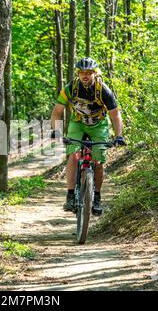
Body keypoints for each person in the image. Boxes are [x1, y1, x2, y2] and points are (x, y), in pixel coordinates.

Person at [50, 57, 125, 215]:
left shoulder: (104, 90)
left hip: (99, 125)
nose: (85, 76)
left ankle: (96, 197)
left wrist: (119, 136)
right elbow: (57, 112)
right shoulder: (71, 88)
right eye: (82, 72)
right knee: (74, 155)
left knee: (98, 161)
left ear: (94, 73)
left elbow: (115, 115)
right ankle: (70, 195)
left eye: (89, 73)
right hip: (78, 123)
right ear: (78, 73)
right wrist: (56, 131)